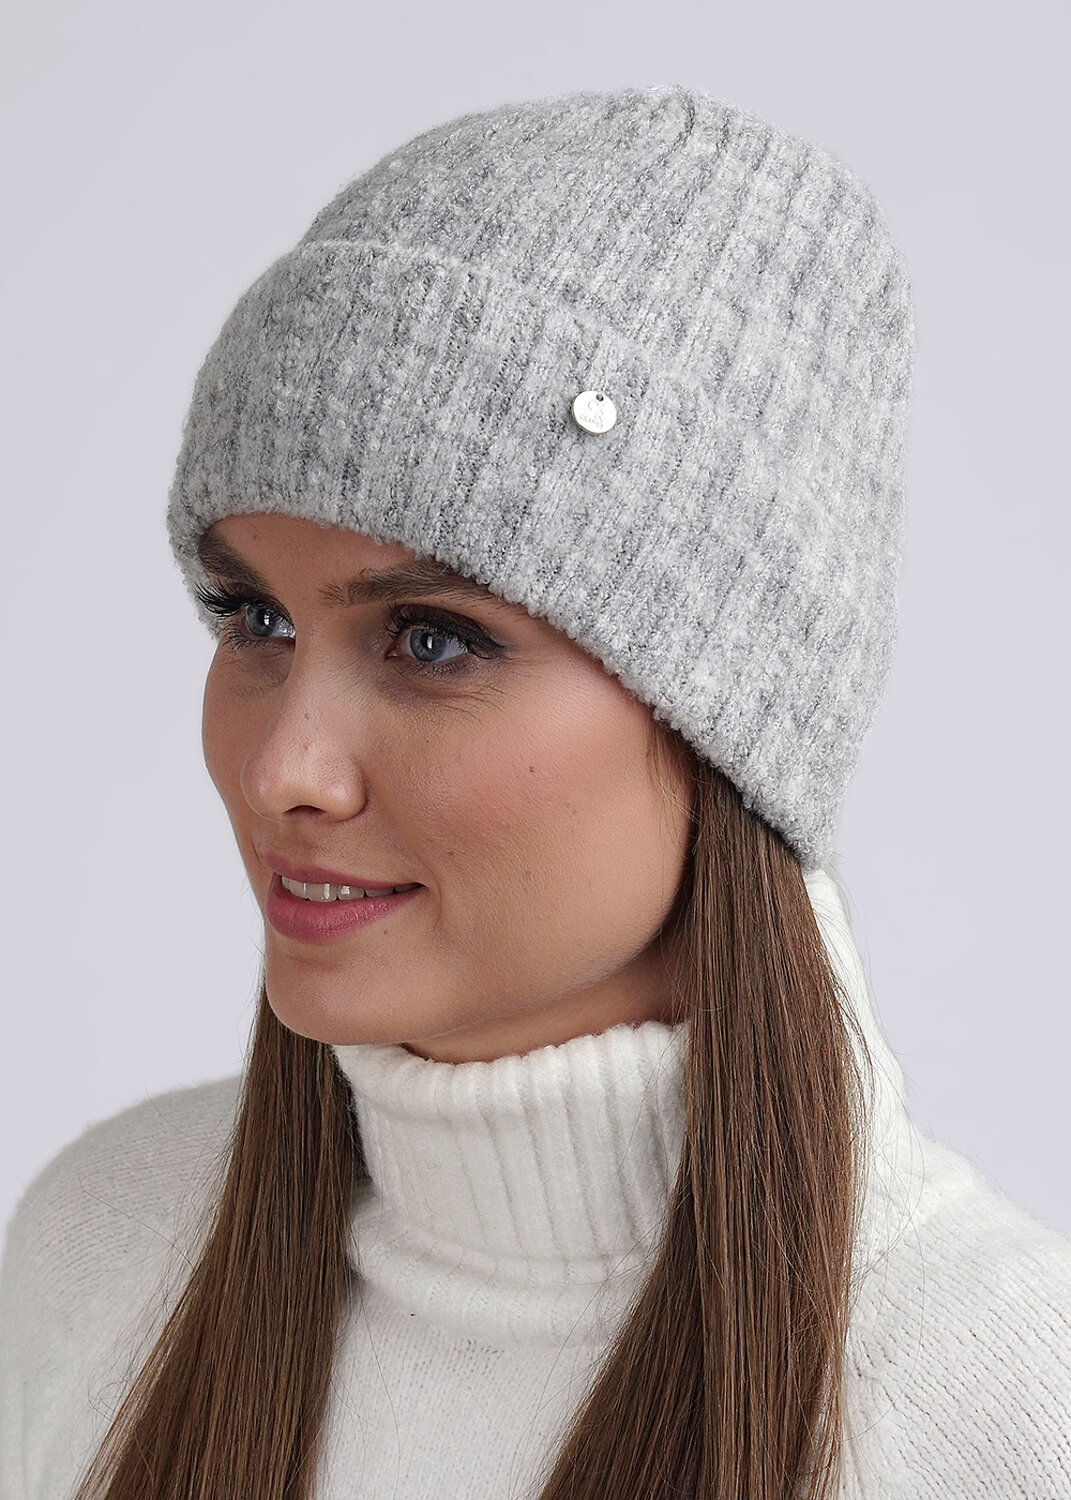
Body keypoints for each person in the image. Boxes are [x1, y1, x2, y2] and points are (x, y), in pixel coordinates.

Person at [1, 82, 1069, 1500]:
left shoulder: (1001, 1413)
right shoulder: (104, 1248)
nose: (283, 769)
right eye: (254, 619)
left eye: (432, 640)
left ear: (727, 720)